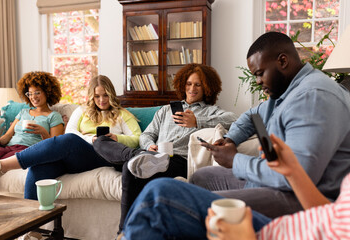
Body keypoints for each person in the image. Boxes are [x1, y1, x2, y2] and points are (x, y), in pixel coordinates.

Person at [189, 31, 350, 219]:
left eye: (260, 74)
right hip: (272, 179)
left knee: (202, 206)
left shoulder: (312, 97)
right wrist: (230, 139)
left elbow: (298, 177)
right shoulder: (284, 92)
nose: (258, 82)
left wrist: (235, 160)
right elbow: (252, 117)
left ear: (282, 61)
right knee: (200, 178)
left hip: (301, 196)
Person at [93, 63, 238, 232]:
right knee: (100, 141)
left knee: (129, 167)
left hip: (178, 160)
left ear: (207, 88)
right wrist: (149, 146)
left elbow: (235, 119)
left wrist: (198, 122)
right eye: (189, 84)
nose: (192, 88)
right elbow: (146, 135)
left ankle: (123, 232)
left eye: (198, 84)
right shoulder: (165, 111)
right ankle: (137, 155)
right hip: (152, 156)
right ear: (182, 85)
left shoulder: (211, 112)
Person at [119, 134, 350, 240]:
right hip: (283, 227)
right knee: (166, 194)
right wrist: (294, 172)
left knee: (158, 198)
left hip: (261, 234)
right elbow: (335, 215)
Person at [0, 75, 141, 200]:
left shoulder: (122, 114)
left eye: (105, 95)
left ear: (111, 94)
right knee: (39, 167)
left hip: (102, 155)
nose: (101, 100)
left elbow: (137, 139)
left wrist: (116, 138)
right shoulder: (82, 111)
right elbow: (71, 131)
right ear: (91, 96)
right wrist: (90, 139)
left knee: (68, 140)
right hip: (76, 156)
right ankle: (33, 229)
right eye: (97, 96)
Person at [0, 71, 64, 159]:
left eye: (37, 93)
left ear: (48, 92)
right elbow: (8, 135)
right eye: (30, 94)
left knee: (3, 161)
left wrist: (43, 132)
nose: (33, 97)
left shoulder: (54, 116)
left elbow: (55, 146)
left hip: (28, 150)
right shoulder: (23, 112)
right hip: (9, 147)